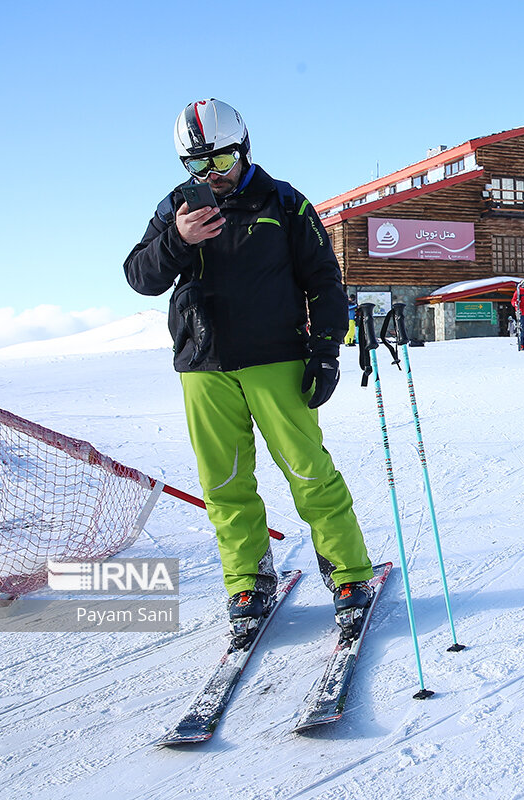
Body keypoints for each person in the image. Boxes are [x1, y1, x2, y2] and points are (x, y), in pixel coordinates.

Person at [124, 99, 375, 642]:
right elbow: (139, 276)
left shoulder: (285, 202)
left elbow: (325, 281)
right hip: (203, 365)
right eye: (198, 166)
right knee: (225, 481)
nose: (212, 175)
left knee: (308, 469)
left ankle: (350, 573)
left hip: (276, 359)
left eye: (222, 160)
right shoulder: (175, 211)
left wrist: (326, 349)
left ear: (245, 148)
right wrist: (178, 239)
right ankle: (247, 580)